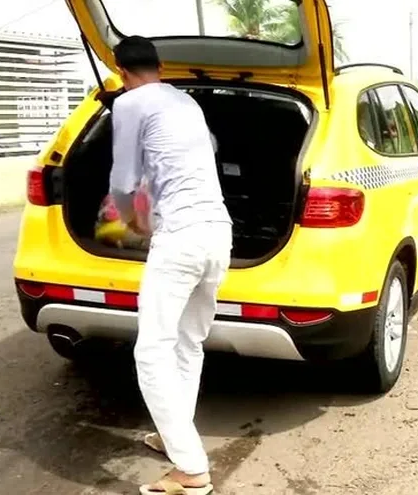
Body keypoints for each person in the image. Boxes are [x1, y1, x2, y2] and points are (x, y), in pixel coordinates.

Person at [108, 35, 232, 495]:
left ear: (122, 73)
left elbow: (122, 179)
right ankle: (173, 434)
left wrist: (133, 221)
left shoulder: (130, 103)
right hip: (219, 231)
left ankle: (192, 471)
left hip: (178, 236)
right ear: (160, 66)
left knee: (151, 351)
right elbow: (207, 152)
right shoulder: (186, 103)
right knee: (188, 343)